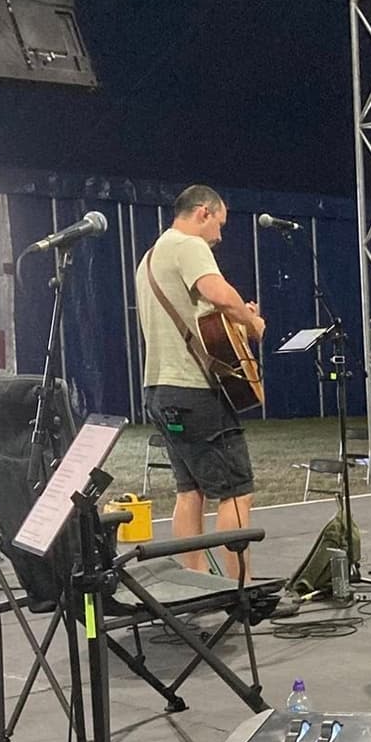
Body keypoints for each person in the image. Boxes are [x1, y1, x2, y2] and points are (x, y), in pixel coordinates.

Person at [134, 184, 266, 581]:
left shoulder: (150, 258)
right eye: (219, 224)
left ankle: (194, 583)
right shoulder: (189, 246)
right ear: (203, 212)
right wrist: (251, 321)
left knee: (190, 490)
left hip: (159, 390)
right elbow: (219, 295)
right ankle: (239, 589)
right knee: (236, 491)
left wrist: (234, 318)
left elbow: (201, 320)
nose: (219, 236)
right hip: (195, 391)